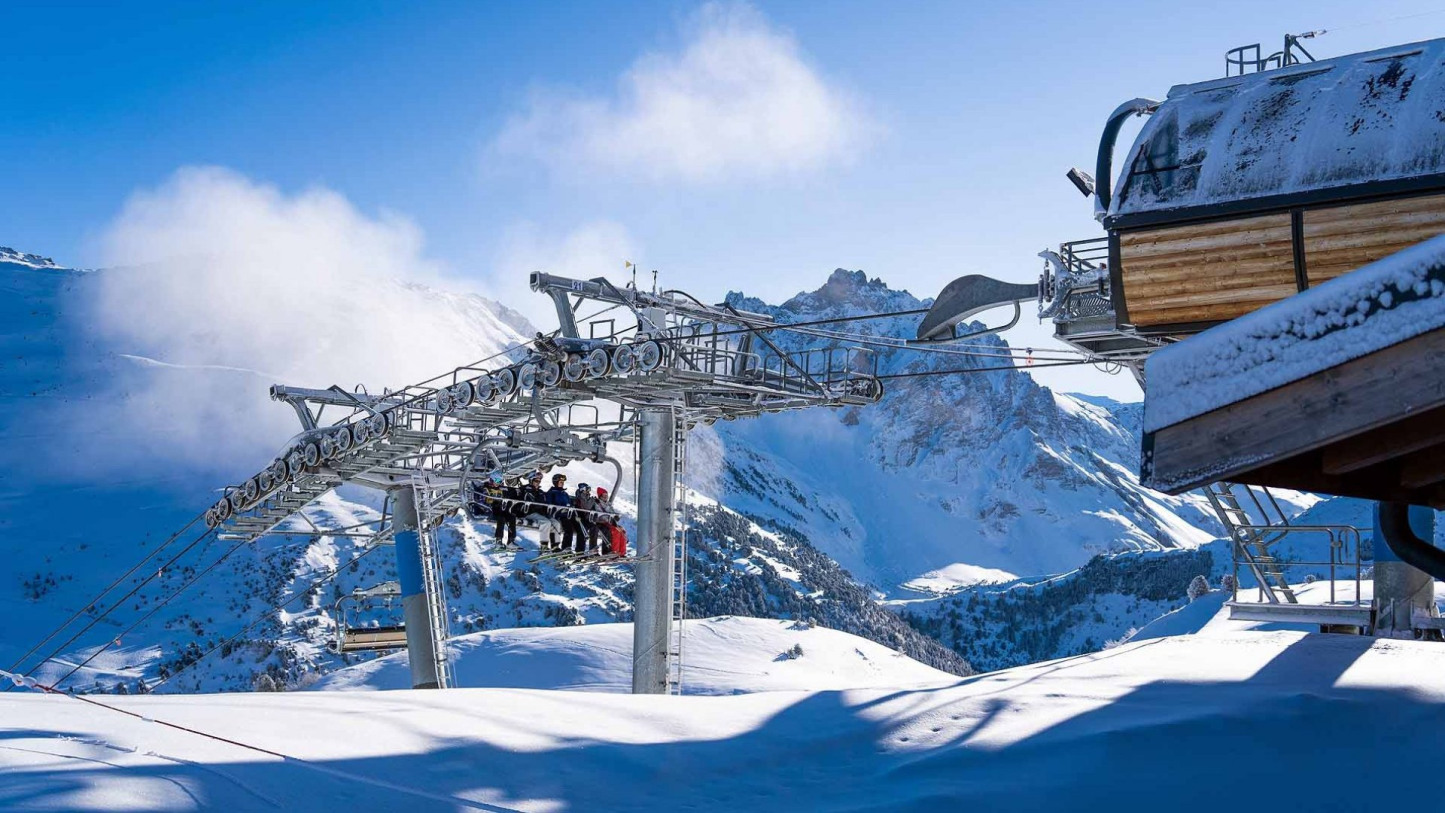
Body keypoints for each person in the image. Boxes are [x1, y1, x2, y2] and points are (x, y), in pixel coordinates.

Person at [517, 472, 554, 550]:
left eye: (539, 481)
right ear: (531, 480)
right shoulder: (525, 489)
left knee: (555, 523)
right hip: (528, 512)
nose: (538, 483)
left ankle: (555, 547)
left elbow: (545, 502)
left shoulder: (540, 492)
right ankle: (544, 546)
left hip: (539, 513)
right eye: (536, 481)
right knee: (546, 522)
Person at [484, 472, 517, 548]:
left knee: (512, 517)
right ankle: (498, 541)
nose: (498, 483)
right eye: (497, 481)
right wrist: (492, 501)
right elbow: (484, 500)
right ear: (492, 480)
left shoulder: (501, 489)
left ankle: (510, 541)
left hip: (500, 510)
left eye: (500, 481)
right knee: (501, 518)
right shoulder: (487, 488)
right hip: (490, 510)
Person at [544, 473, 574, 552]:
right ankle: (556, 546)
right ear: (555, 482)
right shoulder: (552, 492)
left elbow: (570, 503)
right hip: (557, 514)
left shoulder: (564, 493)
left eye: (563, 482)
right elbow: (548, 504)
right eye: (560, 482)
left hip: (566, 514)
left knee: (571, 526)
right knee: (566, 526)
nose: (562, 483)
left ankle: (567, 547)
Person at [571, 483, 600, 555]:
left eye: (589, 489)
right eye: (587, 489)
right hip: (578, 518)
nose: (589, 491)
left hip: (585, 518)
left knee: (594, 527)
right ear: (583, 490)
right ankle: (579, 552)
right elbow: (586, 506)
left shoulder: (587, 497)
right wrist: (593, 500)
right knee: (582, 530)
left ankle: (593, 548)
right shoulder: (580, 496)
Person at [593, 487, 619, 555]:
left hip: (608, 522)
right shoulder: (597, 503)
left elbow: (612, 512)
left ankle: (619, 551)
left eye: (606, 495)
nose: (606, 497)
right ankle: (606, 551)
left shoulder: (608, 504)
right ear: (600, 496)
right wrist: (609, 517)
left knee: (621, 531)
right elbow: (600, 514)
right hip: (600, 522)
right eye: (604, 495)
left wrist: (615, 516)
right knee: (607, 531)